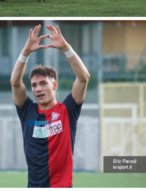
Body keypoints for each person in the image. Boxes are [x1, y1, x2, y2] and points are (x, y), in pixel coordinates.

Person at [11, 24, 90, 187]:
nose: (37, 89)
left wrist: (66, 47)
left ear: (54, 85)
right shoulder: (27, 110)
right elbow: (15, 82)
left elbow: (83, 77)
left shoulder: (68, 110)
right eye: (33, 85)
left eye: (43, 83)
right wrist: (25, 52)